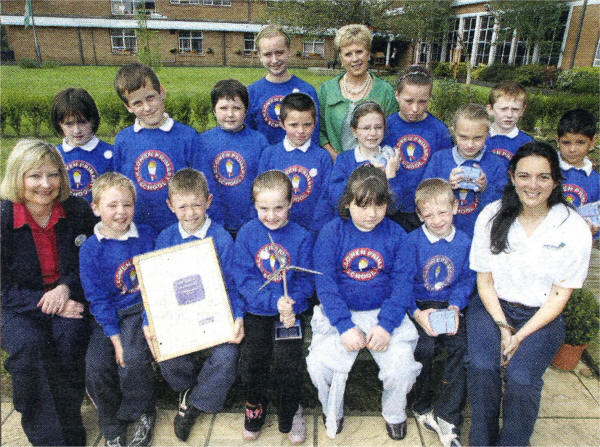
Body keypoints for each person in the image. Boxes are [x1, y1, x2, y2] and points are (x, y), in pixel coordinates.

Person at [467, 142, 592, 446]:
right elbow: (485, 283)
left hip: (541, 317)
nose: (532, 186)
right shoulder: (491, 215)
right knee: (483, 368)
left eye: (543, 177)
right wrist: (502, 327)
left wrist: (519, 337)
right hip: (492, 308)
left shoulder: (572, 227)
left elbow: (559, 297)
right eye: (524, 176)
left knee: (522, 379)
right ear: (511, 177)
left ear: (556, 180)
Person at [307, 166, 421, 441]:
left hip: (383, 313)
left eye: (379, 205)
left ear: (387, 204)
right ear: (348, 202)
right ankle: (332, 409)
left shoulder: (396, 235)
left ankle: (394, 412)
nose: (371, 214)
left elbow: (403, 284)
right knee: (318, 365)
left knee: (401, 368)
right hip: (341, 315)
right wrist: (344, 326)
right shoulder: (332, 233)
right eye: (363, 206)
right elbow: (325, 283)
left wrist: (386, 326)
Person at [1, 139, 95, 446]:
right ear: (18, 177)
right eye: (34, 176)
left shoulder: (78, 211)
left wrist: (66, 288)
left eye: (53, 175)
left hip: (66, 296)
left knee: (69, 338)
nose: (45, 184)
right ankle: (48, 437)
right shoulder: (3, 219)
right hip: (15, 304)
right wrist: (49, 303)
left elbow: (94, 261)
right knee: (29, 348)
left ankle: (69, 424)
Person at [154, 168, 245, 441]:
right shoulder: (166, 238)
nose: (191, 213)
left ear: (209, 201)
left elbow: (233, 283)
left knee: (227, 356)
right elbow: (157, 286)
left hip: (215, 313)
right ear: (170, 206)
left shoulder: (222, 238)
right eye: (182, 206)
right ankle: (186, 389)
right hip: (179, 316)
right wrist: (151, 322)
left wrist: (237, 316)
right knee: (165, 352)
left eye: (196, 204)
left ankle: (194, 405)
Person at [234, 170, 315, 444]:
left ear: (291, 203)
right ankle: (255, 404)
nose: (271, 215)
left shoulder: (301, 236)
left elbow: (306, 281)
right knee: (252, 359)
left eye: (279, 208)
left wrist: (293, 302)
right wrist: (272, 301)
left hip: (289, 313)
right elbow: (243, 280)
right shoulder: (247, 233)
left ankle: (291, 409)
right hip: (258, 311)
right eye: (263, 209)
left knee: (288, 360)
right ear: (254, 206)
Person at [80, 172, 157, 447]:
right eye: (112, 205)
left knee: (132, 358)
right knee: (97, 363)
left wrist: (148, 321)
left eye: (127, 204)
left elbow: (154, 283)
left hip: (139, 310)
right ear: (96, 208)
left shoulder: (146, 236)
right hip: (108, 316)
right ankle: (110, 421)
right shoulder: (90, 249)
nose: (121, 212)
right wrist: (114, 338)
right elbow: (97, 298)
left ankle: (142, 411)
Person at [403, 178, 475, 447]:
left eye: (442, 212)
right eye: (428, 214)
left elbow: (466, 279)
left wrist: (456, 306)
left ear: (455, 207)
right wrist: (415, 312)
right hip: (420, 307)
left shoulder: (464, 242)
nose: (436, 220)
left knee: (461, 348)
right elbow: (403, 283)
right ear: (419, 214)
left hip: (449, 305)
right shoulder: (411, 242)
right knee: (425, 347)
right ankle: (420, 405)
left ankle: (448, 415)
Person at [113, 62, 198, 232]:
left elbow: (200, 186)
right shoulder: (123, 140)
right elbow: (119, 186)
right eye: (137, 103)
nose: (147, 107)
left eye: (150, 97)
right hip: (138, 228)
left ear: (162, 92)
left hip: (180, 228)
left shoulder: (187, 136)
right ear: (128, 107)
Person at [194, 79, 268, 238]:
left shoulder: (259, 142)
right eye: (223, 108)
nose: (230, 114)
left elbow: (264, 185)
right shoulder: (203, 142)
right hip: (213, 223)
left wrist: (252, 219)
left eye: (236, 108)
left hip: (250, 223)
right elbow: (202, 185)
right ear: (214, 110)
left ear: (246, 110)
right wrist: (214, 219)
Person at [383, 65, 453, 232]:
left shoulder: (439, 131)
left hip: (426, 211)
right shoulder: (386, 127)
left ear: (429, 98)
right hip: (391, 207)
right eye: (409, 101)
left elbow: (443, 171)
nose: (415, 108)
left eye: (422, 101)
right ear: (397, 95)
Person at [423, 104, 506, 237]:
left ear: (487, 134)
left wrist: (486, 188)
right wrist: (446, 186)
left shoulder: (496, 164)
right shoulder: (439, 159)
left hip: (480, 235)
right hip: (443, 233)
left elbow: (503, 204)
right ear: (454, 131)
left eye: (478, 138)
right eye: (463, 137)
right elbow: (423, 196)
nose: (470, 144)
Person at [319, 24, 398, 160]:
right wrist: (337, 159)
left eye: (359, 52)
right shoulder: (327, 89)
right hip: (336, 166)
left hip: (374, 168)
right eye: (348, 54)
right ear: (341, 58)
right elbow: (319, 131)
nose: (355, 59)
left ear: (368, 53)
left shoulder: (385, 91)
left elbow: (392, 133)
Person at [258, 92, 333, 235]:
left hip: (313, 232)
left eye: (307, 124)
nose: (301, 131)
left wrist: (315, 230)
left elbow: (326, 198)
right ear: (281, 123)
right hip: (277, 229)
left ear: (315, 122)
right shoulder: (269, 155)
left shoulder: (322, 157)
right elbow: (261, 194)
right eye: (293, 125)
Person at [246, 24, 320, 146]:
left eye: (279, 53)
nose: (274, 60)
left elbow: (314, 136)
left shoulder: (307, 91)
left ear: (289, 51)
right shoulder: (251, 92)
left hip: (298, 162)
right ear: (259, 56)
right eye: (267, 54)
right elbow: (248, 135)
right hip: (264, 162)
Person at [327, 101, 401, 214]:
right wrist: (367, 175)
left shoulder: (391, 158)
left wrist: (390, 177)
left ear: (384, 128)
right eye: (366, 128)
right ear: (354, 131)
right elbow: (335, 199)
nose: (372, 133)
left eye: (378, 127)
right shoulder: (344, 160)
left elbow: (394, 207)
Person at [52, 87, 114, 203]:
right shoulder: (53, 155)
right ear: (59, 124)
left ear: (93, 120)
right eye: (69, 124)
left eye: (82, 122)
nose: (77, 130)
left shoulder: (111, 155)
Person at [556, 109, 599, 237]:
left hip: (580, 243)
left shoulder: (596, 181)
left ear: (592, 141)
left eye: (580, 142)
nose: (572, 149)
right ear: (558, 140)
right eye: (566, 142)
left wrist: (593, 231)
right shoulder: (546, 169)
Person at [485, 80, 533, 166]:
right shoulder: (478, 137)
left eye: (515, 109)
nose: (509, 115)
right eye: (503, 109)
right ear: (490, 109)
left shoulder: (527, 143)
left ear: (522, 110)